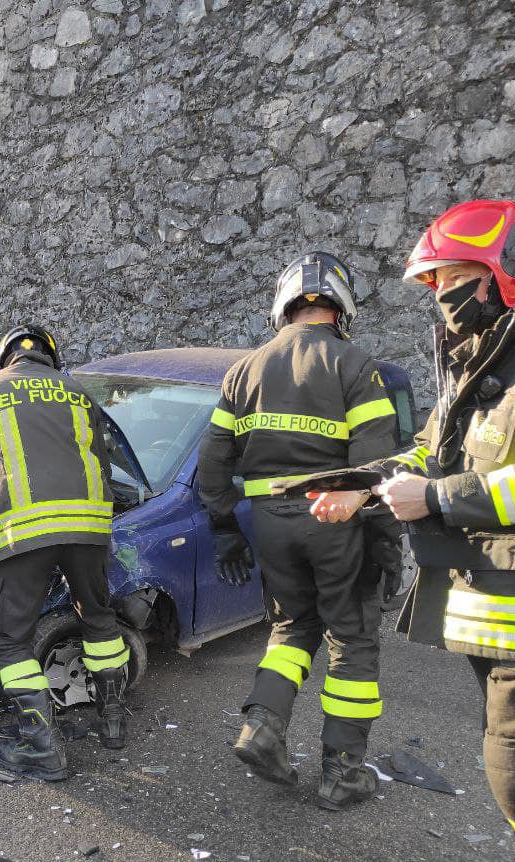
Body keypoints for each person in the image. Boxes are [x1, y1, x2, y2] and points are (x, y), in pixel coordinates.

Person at [313, 200, 515, 859]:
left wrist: (437, 498)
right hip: (496, 609)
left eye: (449, 276)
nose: (439, 294)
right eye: (432, 283)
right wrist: (360, 491)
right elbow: (427, 455)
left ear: (502, 271)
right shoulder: (481, 359)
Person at [197, 252, 402, 810]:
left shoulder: (244, 370)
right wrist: (386, 548)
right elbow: (375, 471)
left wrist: (224, 529)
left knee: (291, 628)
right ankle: (343, 773)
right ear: (341, 306)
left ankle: (262, 728)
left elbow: (212, 465)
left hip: (270, 524)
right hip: (336, 522)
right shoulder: (357, 366)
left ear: (283, 306)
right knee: (354, 638)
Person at [0, 324, 129, 781]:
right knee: (99, 617)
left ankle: (41, 746)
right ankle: (113, 722)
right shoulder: (78, 391)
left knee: (9, 640)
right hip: (90, 525)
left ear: (4, 357)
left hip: (24, 529)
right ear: (51, 358)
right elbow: (103, 457)